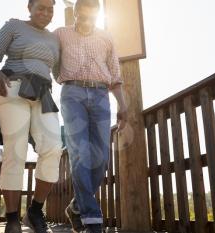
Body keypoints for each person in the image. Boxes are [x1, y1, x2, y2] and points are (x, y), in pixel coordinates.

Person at [0, 0, 62, 232]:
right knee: (15, 150)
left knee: (54, 147)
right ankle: (13, 218)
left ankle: (35, 211)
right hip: (12, 87)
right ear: (30, 7)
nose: (45, 12)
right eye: (41, 7)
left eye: (50, 8)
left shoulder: (54, 39)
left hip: (43, 94)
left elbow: (59, 72)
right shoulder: (14, 26)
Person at [53, 0, 128, 232]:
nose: (86, 22)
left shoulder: (106, 38)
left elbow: (115, 75)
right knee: (79, 154)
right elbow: (50, 63)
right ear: (74, 14)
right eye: (82, 17)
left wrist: (122, 105)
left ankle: (76, 206)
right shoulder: (61, 34)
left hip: (100, 95)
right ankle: (92, 218)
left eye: (91, 17)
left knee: (101, 157)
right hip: (72, 93)